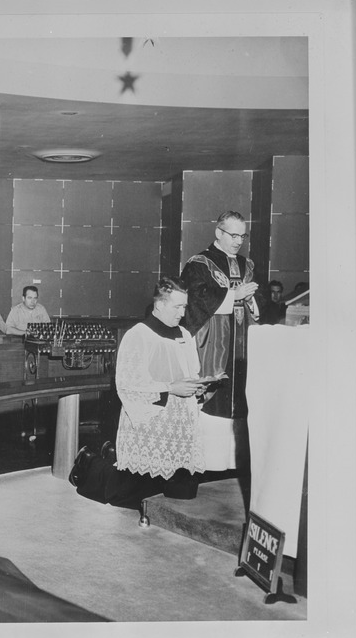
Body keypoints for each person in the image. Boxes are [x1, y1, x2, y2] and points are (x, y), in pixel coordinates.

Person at [69, 277, 213, 506]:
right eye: (178, 306)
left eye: (184, 306)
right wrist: (170, 389)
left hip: (180, 424)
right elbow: (127, 384)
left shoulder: (184, 335)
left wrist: (198, 386)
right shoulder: (139, 335)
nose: (182, 313)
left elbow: (191, 371)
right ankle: (89, 463)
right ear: (159, 305)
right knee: (130, 496)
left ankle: (110, 457)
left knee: (183, 494)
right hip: (151, 420)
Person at [179, 210, 258, 421]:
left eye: (243, 236)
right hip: (216, 345)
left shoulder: (247, 265)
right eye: (234, 235)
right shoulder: (199, 263)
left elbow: (263, 303)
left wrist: (250, 300)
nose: (239, 241)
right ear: (218, 232)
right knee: (214, 416)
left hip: (244, 343)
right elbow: (194, 298)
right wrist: (234, 296)